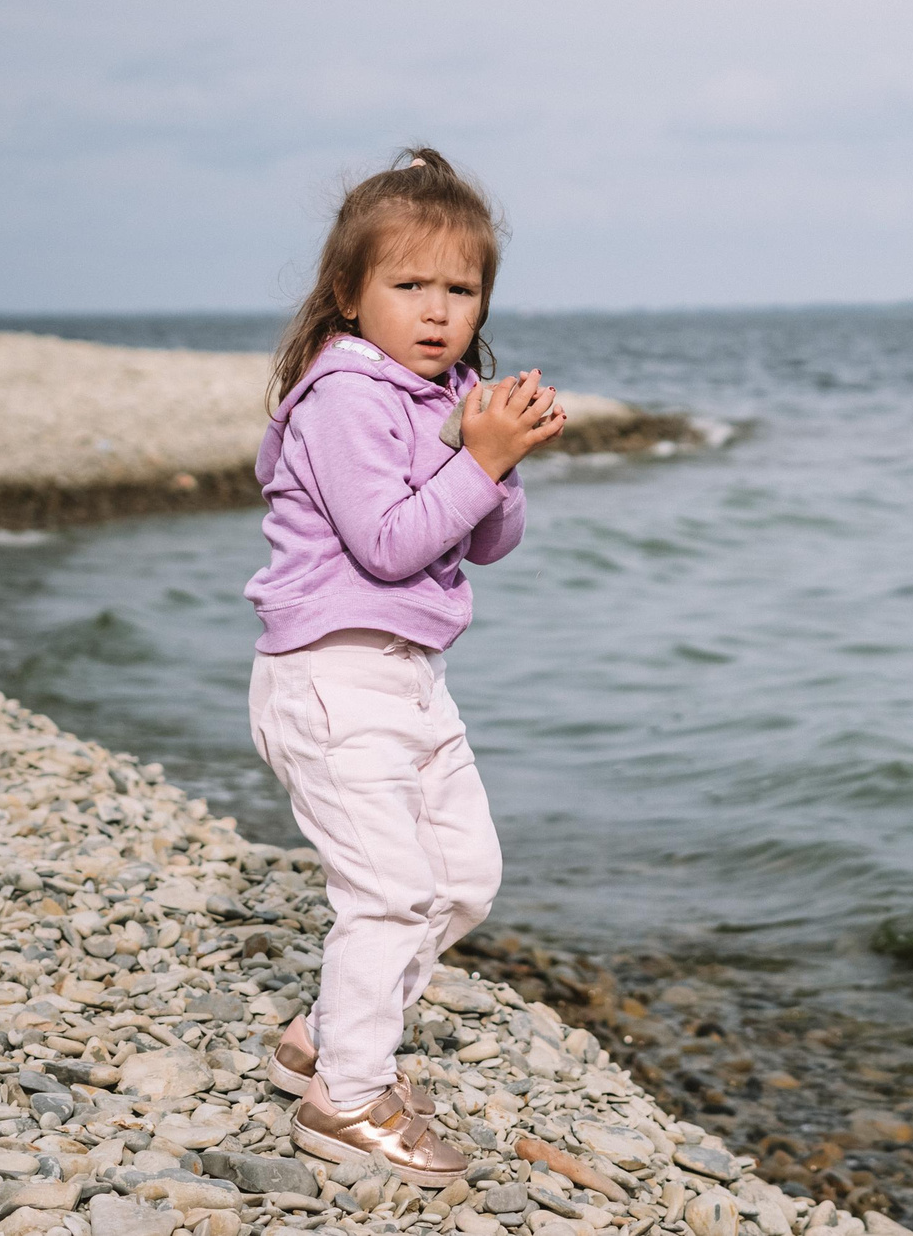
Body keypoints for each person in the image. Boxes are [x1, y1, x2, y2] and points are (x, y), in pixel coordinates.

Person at [242, 147, 566, 1184]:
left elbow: (485, 542)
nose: (436, 312)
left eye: (459, 290)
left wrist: (492, 458)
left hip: (410, 677)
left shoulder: (445, 393)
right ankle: (345, 1097)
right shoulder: (343, 398)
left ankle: (325, 1033)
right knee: (386, 894)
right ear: (348, 293)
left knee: (464, 878)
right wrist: (480, 459)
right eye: (409, 285)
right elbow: (387, 542)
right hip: (332, 676)